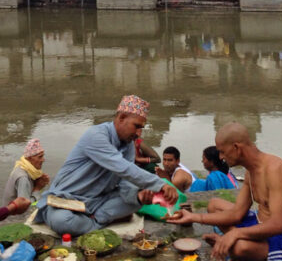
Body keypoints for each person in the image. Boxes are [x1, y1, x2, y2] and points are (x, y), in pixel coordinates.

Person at [36, 95, 178, 236]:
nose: (138, 133)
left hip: (98, 201)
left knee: (136, 201)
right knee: (62, 221)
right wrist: (161, 184)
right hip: (67, 199)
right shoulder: (96, 135)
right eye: (136, 126)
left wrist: (138, 196)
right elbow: (123, 167)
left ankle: (91, 220)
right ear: (121, 118)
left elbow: (126, 182)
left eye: (141, 128)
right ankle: (96, 223)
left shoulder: (128, 146)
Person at [167, 123, 282, 261]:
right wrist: (193, 217)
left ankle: (232, 243)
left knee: (240, 248)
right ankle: (230, 242)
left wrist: (235, 234)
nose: (220, 157)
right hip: (260, 223)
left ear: (236, 148)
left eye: (222, 152)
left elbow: (277, 225)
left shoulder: (275, 170)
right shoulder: (250, 172)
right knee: (214, 205)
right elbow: (236, 214)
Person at [3, 138, 50, 205]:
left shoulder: (21, 166)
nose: (43, 160)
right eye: (40, 157)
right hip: (15, 214)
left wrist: (36, 182)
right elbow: (24, 206)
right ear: (29, 158)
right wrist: (37, 188)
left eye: (43, 156)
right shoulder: (23, 178)